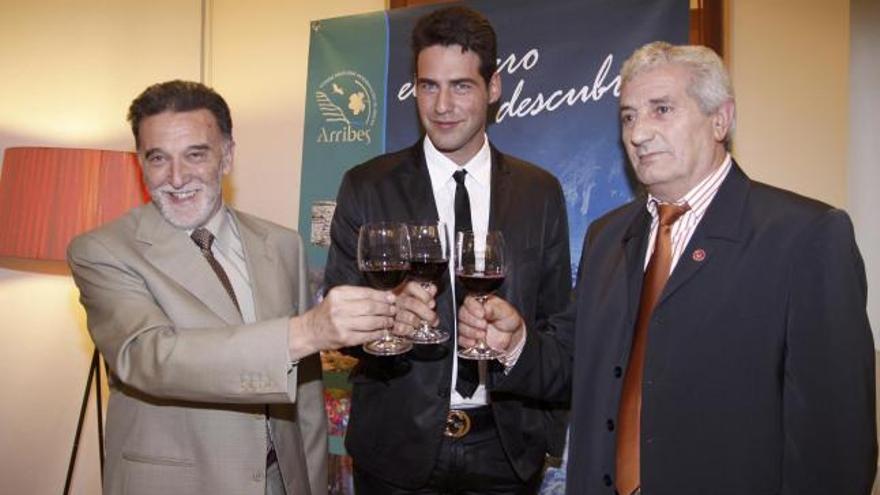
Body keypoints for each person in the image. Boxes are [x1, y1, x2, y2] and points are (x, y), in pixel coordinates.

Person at [460, 41, 877, 494]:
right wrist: (517, 342)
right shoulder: (608, 235)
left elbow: (836, 444)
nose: (638, 133)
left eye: (661, 109)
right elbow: (577, 361)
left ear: (721, 118)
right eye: (628, 116)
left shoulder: (805, 237)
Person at [67, 80, 398, 495]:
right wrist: (308, 330)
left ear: (227, 156)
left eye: (195, 155)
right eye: (158, 158)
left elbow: (307, 397)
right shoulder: (102, 251)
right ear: (139, 161)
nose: (176, 177)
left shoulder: (282, 244)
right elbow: (149, 357)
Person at [323, 6, 571, 494]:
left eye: (461, 86)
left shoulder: (539, 192)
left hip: (505, 451)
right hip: (395, 451)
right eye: (428, 86)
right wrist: (385, 314)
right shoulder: (367, 185)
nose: (442, 106)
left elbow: (561, 329)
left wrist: (518, 337)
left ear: (493, 88)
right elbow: (338, 318)